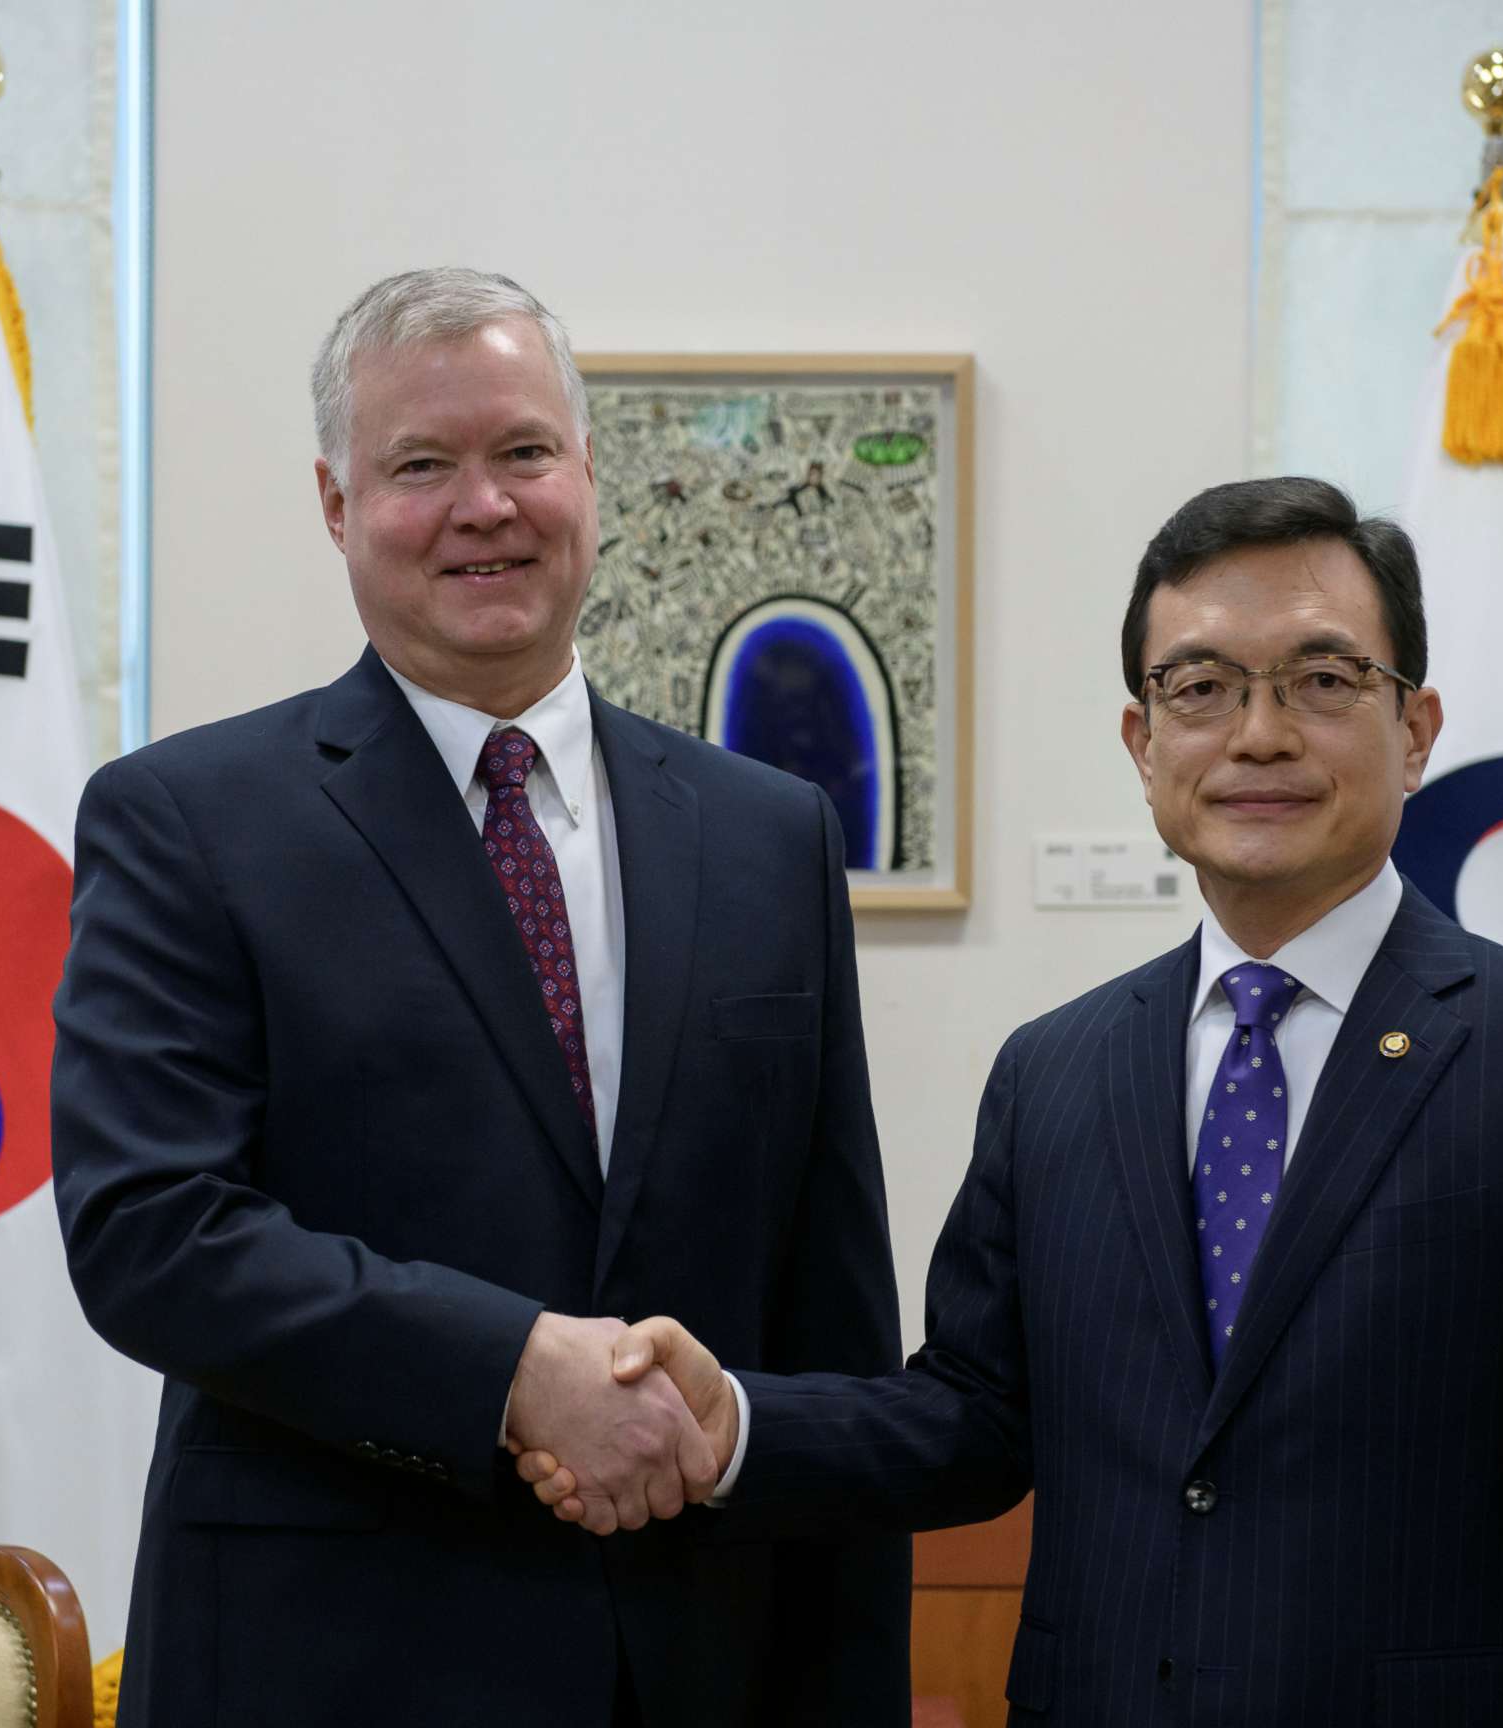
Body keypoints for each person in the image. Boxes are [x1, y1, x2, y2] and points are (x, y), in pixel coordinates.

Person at [526, 478, 1503, 1725]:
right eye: (1201, 689)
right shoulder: (1058, 1072)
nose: (1259, 735)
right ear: (1145, 747)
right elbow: (974, 1418)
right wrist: (738, 1428)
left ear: (1414, 730)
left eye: (1321, 680)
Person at [51, 268, 908, 1727]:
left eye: (523, 453)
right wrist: (514, 1370)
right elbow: (151, 1234)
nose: (485, 506)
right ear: (336, 505)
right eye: (421, 467)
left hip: (697, 1659)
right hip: (325, 1665)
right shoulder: (188, 820)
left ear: (588, 473)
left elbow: (828, 1312)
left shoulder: (771, 834)